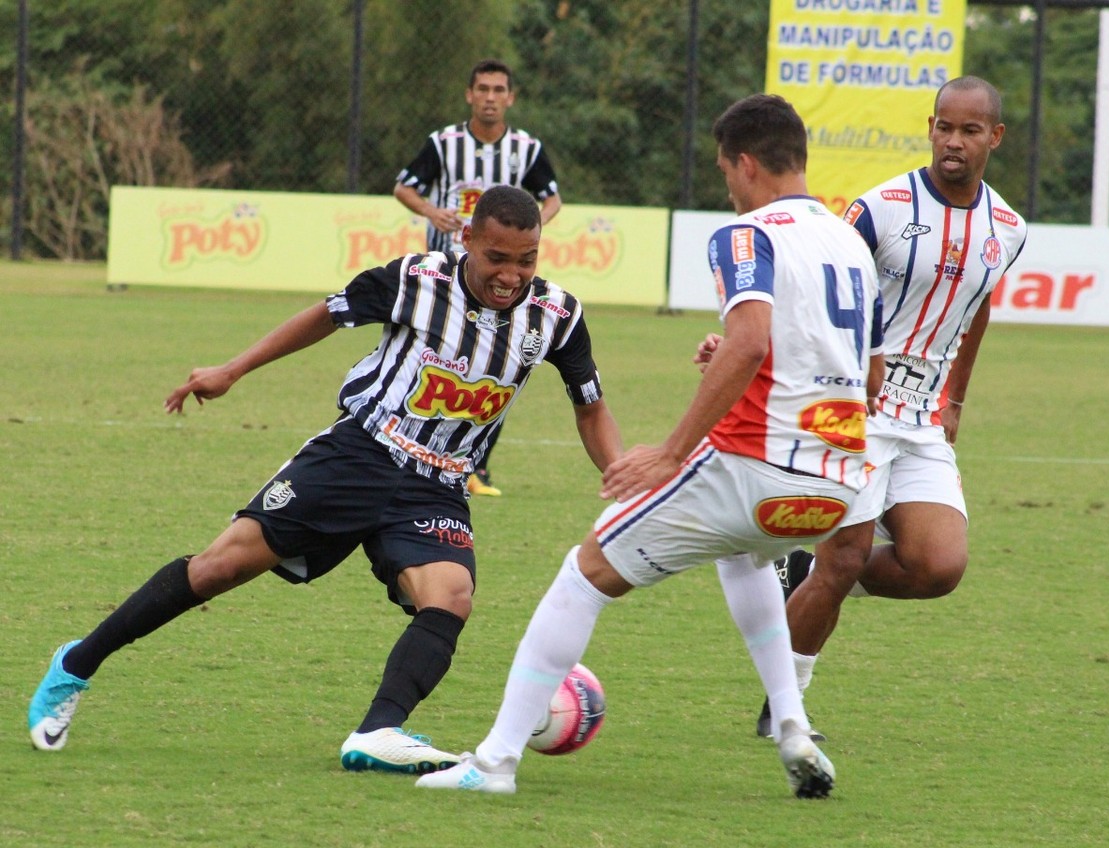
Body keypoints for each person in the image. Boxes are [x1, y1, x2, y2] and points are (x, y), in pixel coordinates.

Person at [28, 186, 623, 776]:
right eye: (497, 257)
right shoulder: (414, 279)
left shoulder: (557, 317)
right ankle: (75, 665)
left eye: (526, 260)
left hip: (436, 485)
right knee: (219, 567)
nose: (510, 275)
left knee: (451, 597)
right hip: (358, 455)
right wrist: (231, 370)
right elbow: (324, 316)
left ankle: (377, 731)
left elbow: (590, 408)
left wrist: (621, 472)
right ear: (466, 239)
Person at [415, 93, 883, 799]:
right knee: (743, 552)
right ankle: (792, 725)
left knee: (584, 571)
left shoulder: (746, 235)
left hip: (755, 469)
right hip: (838, 483)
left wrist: (670, 451)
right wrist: (739, 358)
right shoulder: (851, 242)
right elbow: (861, 371)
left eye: (726, 170)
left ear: (747, 164)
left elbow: (753, 340)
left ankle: (495, 760)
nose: (727, 187)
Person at [754, 75, 1029, 739]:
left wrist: (956, 395)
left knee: (937, 566)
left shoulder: (1010, 229)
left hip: (925, 418)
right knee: (846, 558)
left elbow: (979, 302)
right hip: (857, 406)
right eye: (943, 126)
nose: (952, 141)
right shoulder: (880, 208)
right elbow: (823, 286)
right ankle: (786, 708)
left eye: (968, 130)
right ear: (929, 128)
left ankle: (816, 574)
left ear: (995, 137)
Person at [394, 58, 563, 497]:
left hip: (500, 280)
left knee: (500, 365)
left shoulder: (525, 148)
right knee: (433, 359)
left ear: (511, 97)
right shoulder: (444, 143)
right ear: (470, 94)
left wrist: (532, 230)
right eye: (483, 89)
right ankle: (412, 447)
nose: (490, 97)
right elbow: (403, 186)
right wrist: (432, 211)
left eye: (498, 90)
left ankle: (474, 467)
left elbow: (553, 199)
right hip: (446, 275)